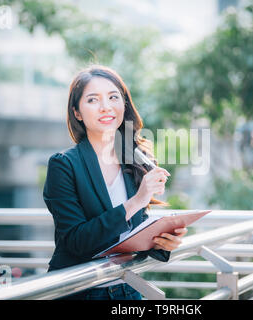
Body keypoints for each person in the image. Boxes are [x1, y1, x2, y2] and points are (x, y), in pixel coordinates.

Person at [43, 64, 187, 300]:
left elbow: (131, 232)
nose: (106, 107)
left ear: (124, 105)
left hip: (127, 289)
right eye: (93, 100)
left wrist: (162, 242)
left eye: (113, 97)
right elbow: (76, 241)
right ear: (77, 112)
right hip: (80, 292)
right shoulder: (63, 165)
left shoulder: (136, 160)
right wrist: (136, 201)